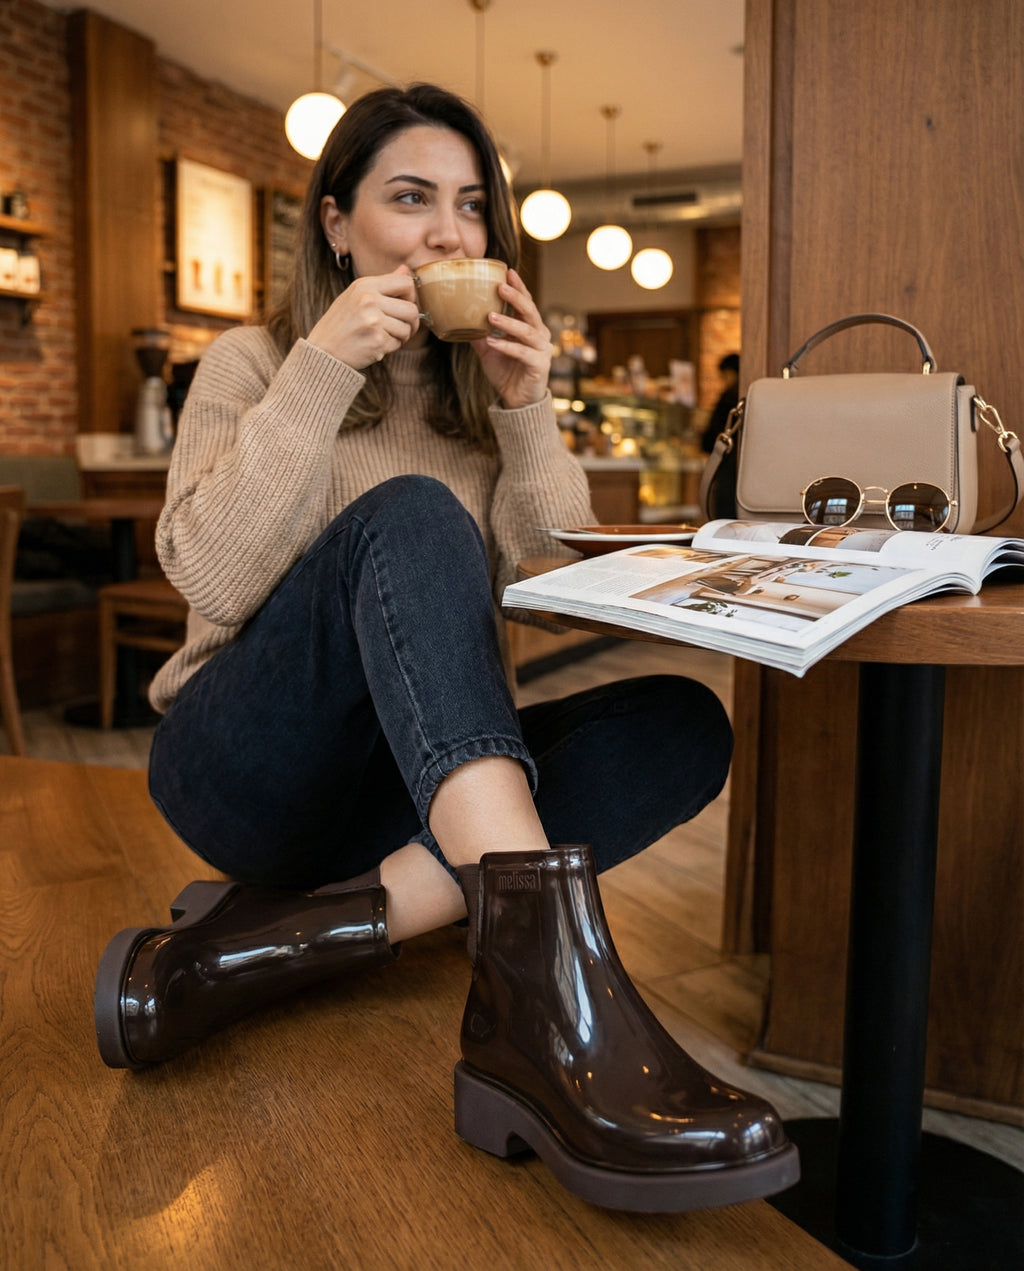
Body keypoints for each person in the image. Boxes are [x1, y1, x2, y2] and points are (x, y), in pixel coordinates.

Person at [93, 85, 796, 1212]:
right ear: (336, 222)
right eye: (409, 198)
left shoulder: (482, 404)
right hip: (245, 768)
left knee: (680, 722)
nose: (448, 234)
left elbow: (571, 605)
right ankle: (543, 998)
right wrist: (320, 366)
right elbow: (210, 575)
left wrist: (527, 409)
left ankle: (291, 938)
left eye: (471, 207)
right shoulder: (251, 362)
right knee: (412, 512)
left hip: (414, 795)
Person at [700, 351, 740, 455]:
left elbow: (715, 433)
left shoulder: (729, 398)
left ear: (731, 373)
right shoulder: (744, 396)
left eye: (724, 376)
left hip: (725, 455)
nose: (723, 381)